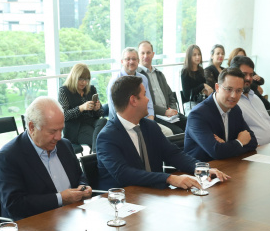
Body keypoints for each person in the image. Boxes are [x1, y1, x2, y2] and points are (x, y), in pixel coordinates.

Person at [97, 76, 228, 191]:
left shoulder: (150, 126)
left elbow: (173, 154)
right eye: (144, 95)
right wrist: (170, 178)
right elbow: (124, 174)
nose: (148, 100)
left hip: (155, 196)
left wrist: (202, 170)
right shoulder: (107, 138)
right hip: (125, 202)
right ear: (133, 100)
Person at [0, 97, 91, 221]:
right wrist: (61, 198)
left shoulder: (64, 145)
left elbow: (79, 176)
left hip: (71, 218)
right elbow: (15, 204)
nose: (58, 137)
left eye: (61, 129)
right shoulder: (8, 157)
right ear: (32, 127)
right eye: (53, 131)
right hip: (34, 227)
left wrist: (83, 187)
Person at [183, 67, 258, 161]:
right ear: (217, 87)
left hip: (227, 166)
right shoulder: (198, 115)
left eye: (238, 90)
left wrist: (226, 146)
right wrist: (239, 142)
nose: (233, 95)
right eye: (229, 89)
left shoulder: (235, 109)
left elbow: (253, 142)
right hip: (202, 171)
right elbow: (216, 152)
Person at [231, 55, 270, 146]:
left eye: (251, 75)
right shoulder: (233, 102)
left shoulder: (255, 97)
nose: (249, 78)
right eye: (244, 74)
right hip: (255, 151)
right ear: (234, 75)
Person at [138, 40, 186, 135]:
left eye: (148, 52)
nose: (145, 56)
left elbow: (170, 95)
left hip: (169, 114)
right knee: (179, 133)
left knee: (191, 123)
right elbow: (147, 103)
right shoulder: (138, 77)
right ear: (138, 55)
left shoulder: (159, 74)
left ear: (153, 54)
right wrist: (165, 112)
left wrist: (172, 110)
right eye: (142, 53)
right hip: (156, 115)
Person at [58, 63, 103, 153]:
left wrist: (97, 109)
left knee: (103, 121)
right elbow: (64, 116)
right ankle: (96, 151)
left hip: (91, 123)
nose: (84, 82)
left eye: (86, 79)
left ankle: (95, 151)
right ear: (74, 77)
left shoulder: (92, 89)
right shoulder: (64, 91)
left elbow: (101, 113)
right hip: (76, 128)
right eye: (81, 79)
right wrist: (81, 108)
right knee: (102, 139)